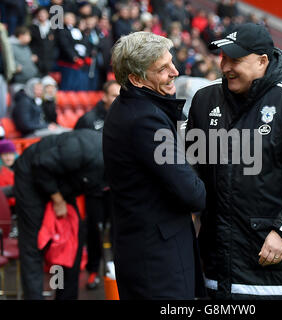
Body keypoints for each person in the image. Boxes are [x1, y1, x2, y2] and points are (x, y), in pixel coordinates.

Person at [186, 22, 282, 300]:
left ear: (262, 61)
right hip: (216, 268)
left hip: (276, 273)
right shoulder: (204, 100)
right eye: (223, 58)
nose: (226, 67)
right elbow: (192, 167)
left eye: (236, 60)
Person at [102, 31, 206, 299]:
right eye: (163, 68)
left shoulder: (129, 106)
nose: (175, 72)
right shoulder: (145, 120)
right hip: (156, 261)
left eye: (171, 62)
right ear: (136, 79)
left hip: (144, 250)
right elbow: (192, 193)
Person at [14, 129, 106, 300]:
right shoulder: (85, 148)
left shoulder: (122, 164)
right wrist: (57, 199)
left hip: (63, 182)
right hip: (32, 176)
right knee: (34, 245)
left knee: (72, 240)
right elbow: (41, 165)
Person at [74, 80, 120, 290]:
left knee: (119, 231)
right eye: (113, 95)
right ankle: (93, 271)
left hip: (118, 186)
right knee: (94, 232)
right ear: (104, 96)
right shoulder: (88, 120)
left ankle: (119, 271)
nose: (117, 99)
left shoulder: (124, 116)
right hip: (94, 188)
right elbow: (75, 150)